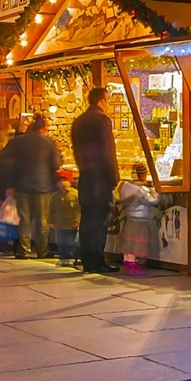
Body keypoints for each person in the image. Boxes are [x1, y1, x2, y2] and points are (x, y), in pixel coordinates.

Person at [71, 87, 121, 274]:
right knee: (99, 223)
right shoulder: (102, 121)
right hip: (100, 181)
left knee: (87, 222)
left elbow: (76, 151)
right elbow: (108, 152)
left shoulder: (78, 121)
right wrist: (114, 179)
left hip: (86, 179)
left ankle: (88, 261)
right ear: (102, 101)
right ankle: (97, 261)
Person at [0, 115, 61, 260]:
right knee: (42, 220)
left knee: (24, 219)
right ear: (42, 128)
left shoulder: (18, 141)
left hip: (22, 185)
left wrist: (11, 181)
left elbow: (4, 158)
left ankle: (24, 250)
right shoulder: (48, 142)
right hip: (43, 186)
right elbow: (56, 164)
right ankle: (42, 251)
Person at [117, 163, 159, 276]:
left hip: (130, 218)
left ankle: (127, 264)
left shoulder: (125, 186)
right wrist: (155, 190)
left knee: (129, 243)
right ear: (143, 175)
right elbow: (153, 201)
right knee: (136, 243)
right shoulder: (141, 190)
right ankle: (132, 267)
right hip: (140, 219)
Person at [50, 170, 80, 267]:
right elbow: (51, 209)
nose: (63, 183)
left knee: (70, 241)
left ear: (70, 182)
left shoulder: (75, 195)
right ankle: (63, 257)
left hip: (71, 223)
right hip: (59, 224)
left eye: (65, 181)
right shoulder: (54, 196)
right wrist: (50, 221)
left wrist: (78, 220)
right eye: (60, 181)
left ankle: (70, 258)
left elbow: (79, 209)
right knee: (61, 242)